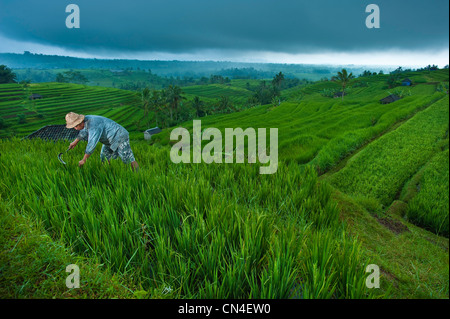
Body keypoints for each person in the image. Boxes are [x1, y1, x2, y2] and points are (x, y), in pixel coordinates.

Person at [65, 112, 139, 171]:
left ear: (80, 122)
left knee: (127, 158)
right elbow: (84, 131)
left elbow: (92, 143)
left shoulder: (93, 125)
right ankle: (109, 172)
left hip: (119, 136)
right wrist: (75, 142)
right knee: (104, 157)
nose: (74, 128)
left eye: (75, 126)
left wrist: (84, 160)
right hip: (108, 140)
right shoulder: (85, 121)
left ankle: (137, 175)